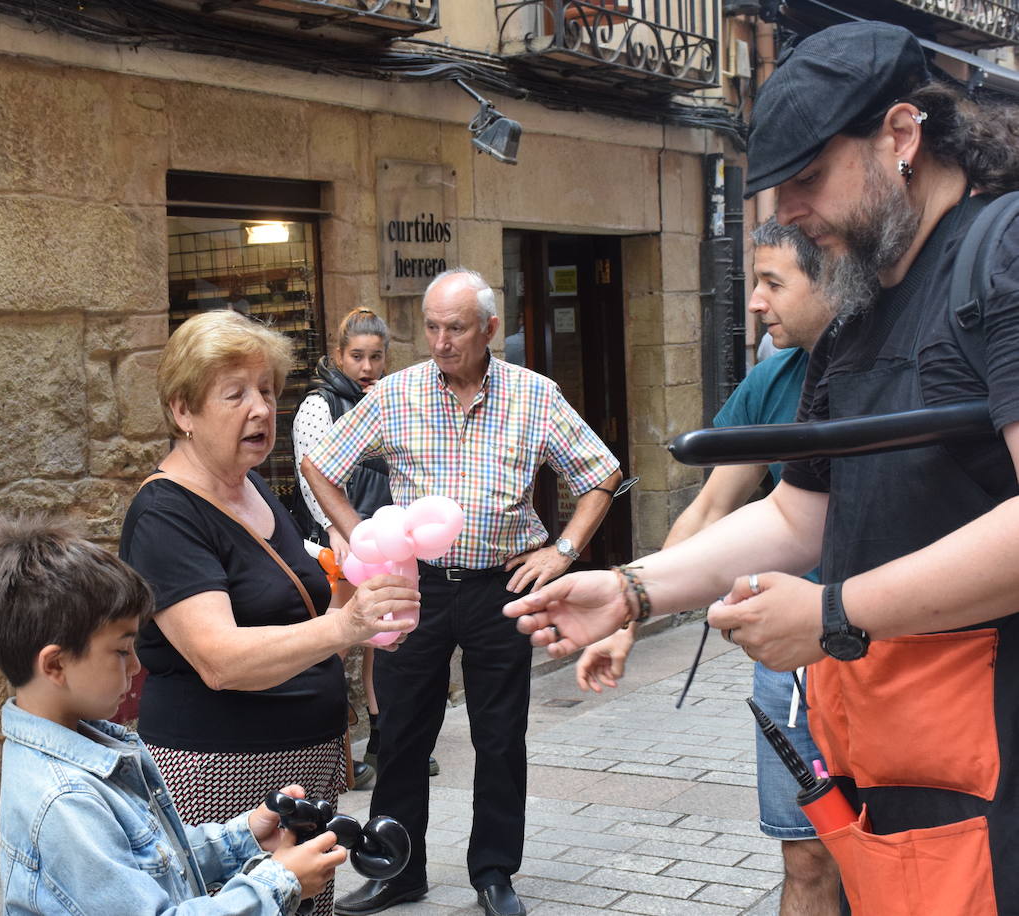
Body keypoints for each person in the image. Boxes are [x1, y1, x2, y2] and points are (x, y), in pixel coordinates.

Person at [505, 21, 1019, 915]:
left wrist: (833, 613)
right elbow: (799, 516)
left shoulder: (1001, 257)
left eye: (808, 179)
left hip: (996, 748)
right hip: (889, 747)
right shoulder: (857, 313)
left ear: (902, 136)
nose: (786, 211)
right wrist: (631, 589)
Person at [302, 268, 623, 916]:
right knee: (400, 735)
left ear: (489, 330)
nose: (442, 342)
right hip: (412, 585)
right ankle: (398, 869)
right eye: (432, 328)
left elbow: (601, 472)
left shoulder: (534, 396)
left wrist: (562, 551)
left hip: (499, 585)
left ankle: (494, 872)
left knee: (499, 736)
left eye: (456, 328)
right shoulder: (395, 394)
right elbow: (320, 463)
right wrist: (360, 534)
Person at [575, 219, 841, 914]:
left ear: (834, 277)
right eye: (754, 282)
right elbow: (710, 508)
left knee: (892, 854)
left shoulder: (895, 369)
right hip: (792, 662)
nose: (755, 301)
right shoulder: (771, 379)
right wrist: (629, 607)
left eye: (772, 283)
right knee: (807, 854)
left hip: (887, 642)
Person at [120, 309, 418, 916]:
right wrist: (345, 624)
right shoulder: (164, 514)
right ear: (182, 411)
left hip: (298, 765)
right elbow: (220, 659)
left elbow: (300, 621)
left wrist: (361, 589)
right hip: (220, 776)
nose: (261, 409)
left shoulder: (252, 487)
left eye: (266, 390)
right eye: (236, 394)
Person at [0, 513, 346, 916]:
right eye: (121, 651)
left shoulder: (91, 747)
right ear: (55, 666)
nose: (136, 667)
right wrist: (279, 882)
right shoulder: (66, 800)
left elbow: (152, 860)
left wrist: (244, 838)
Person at [292, 308, 433, 790]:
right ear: (338, 355)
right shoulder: (320, 405)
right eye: (357, 356)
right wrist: (343, 532)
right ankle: (329, 753)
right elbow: (314, 479)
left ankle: (380, 739)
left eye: (375, 357)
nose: (367, 366)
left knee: (381, 643)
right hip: (337, 542)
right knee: (331, 646)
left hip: (385, 540)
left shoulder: (388, 399)